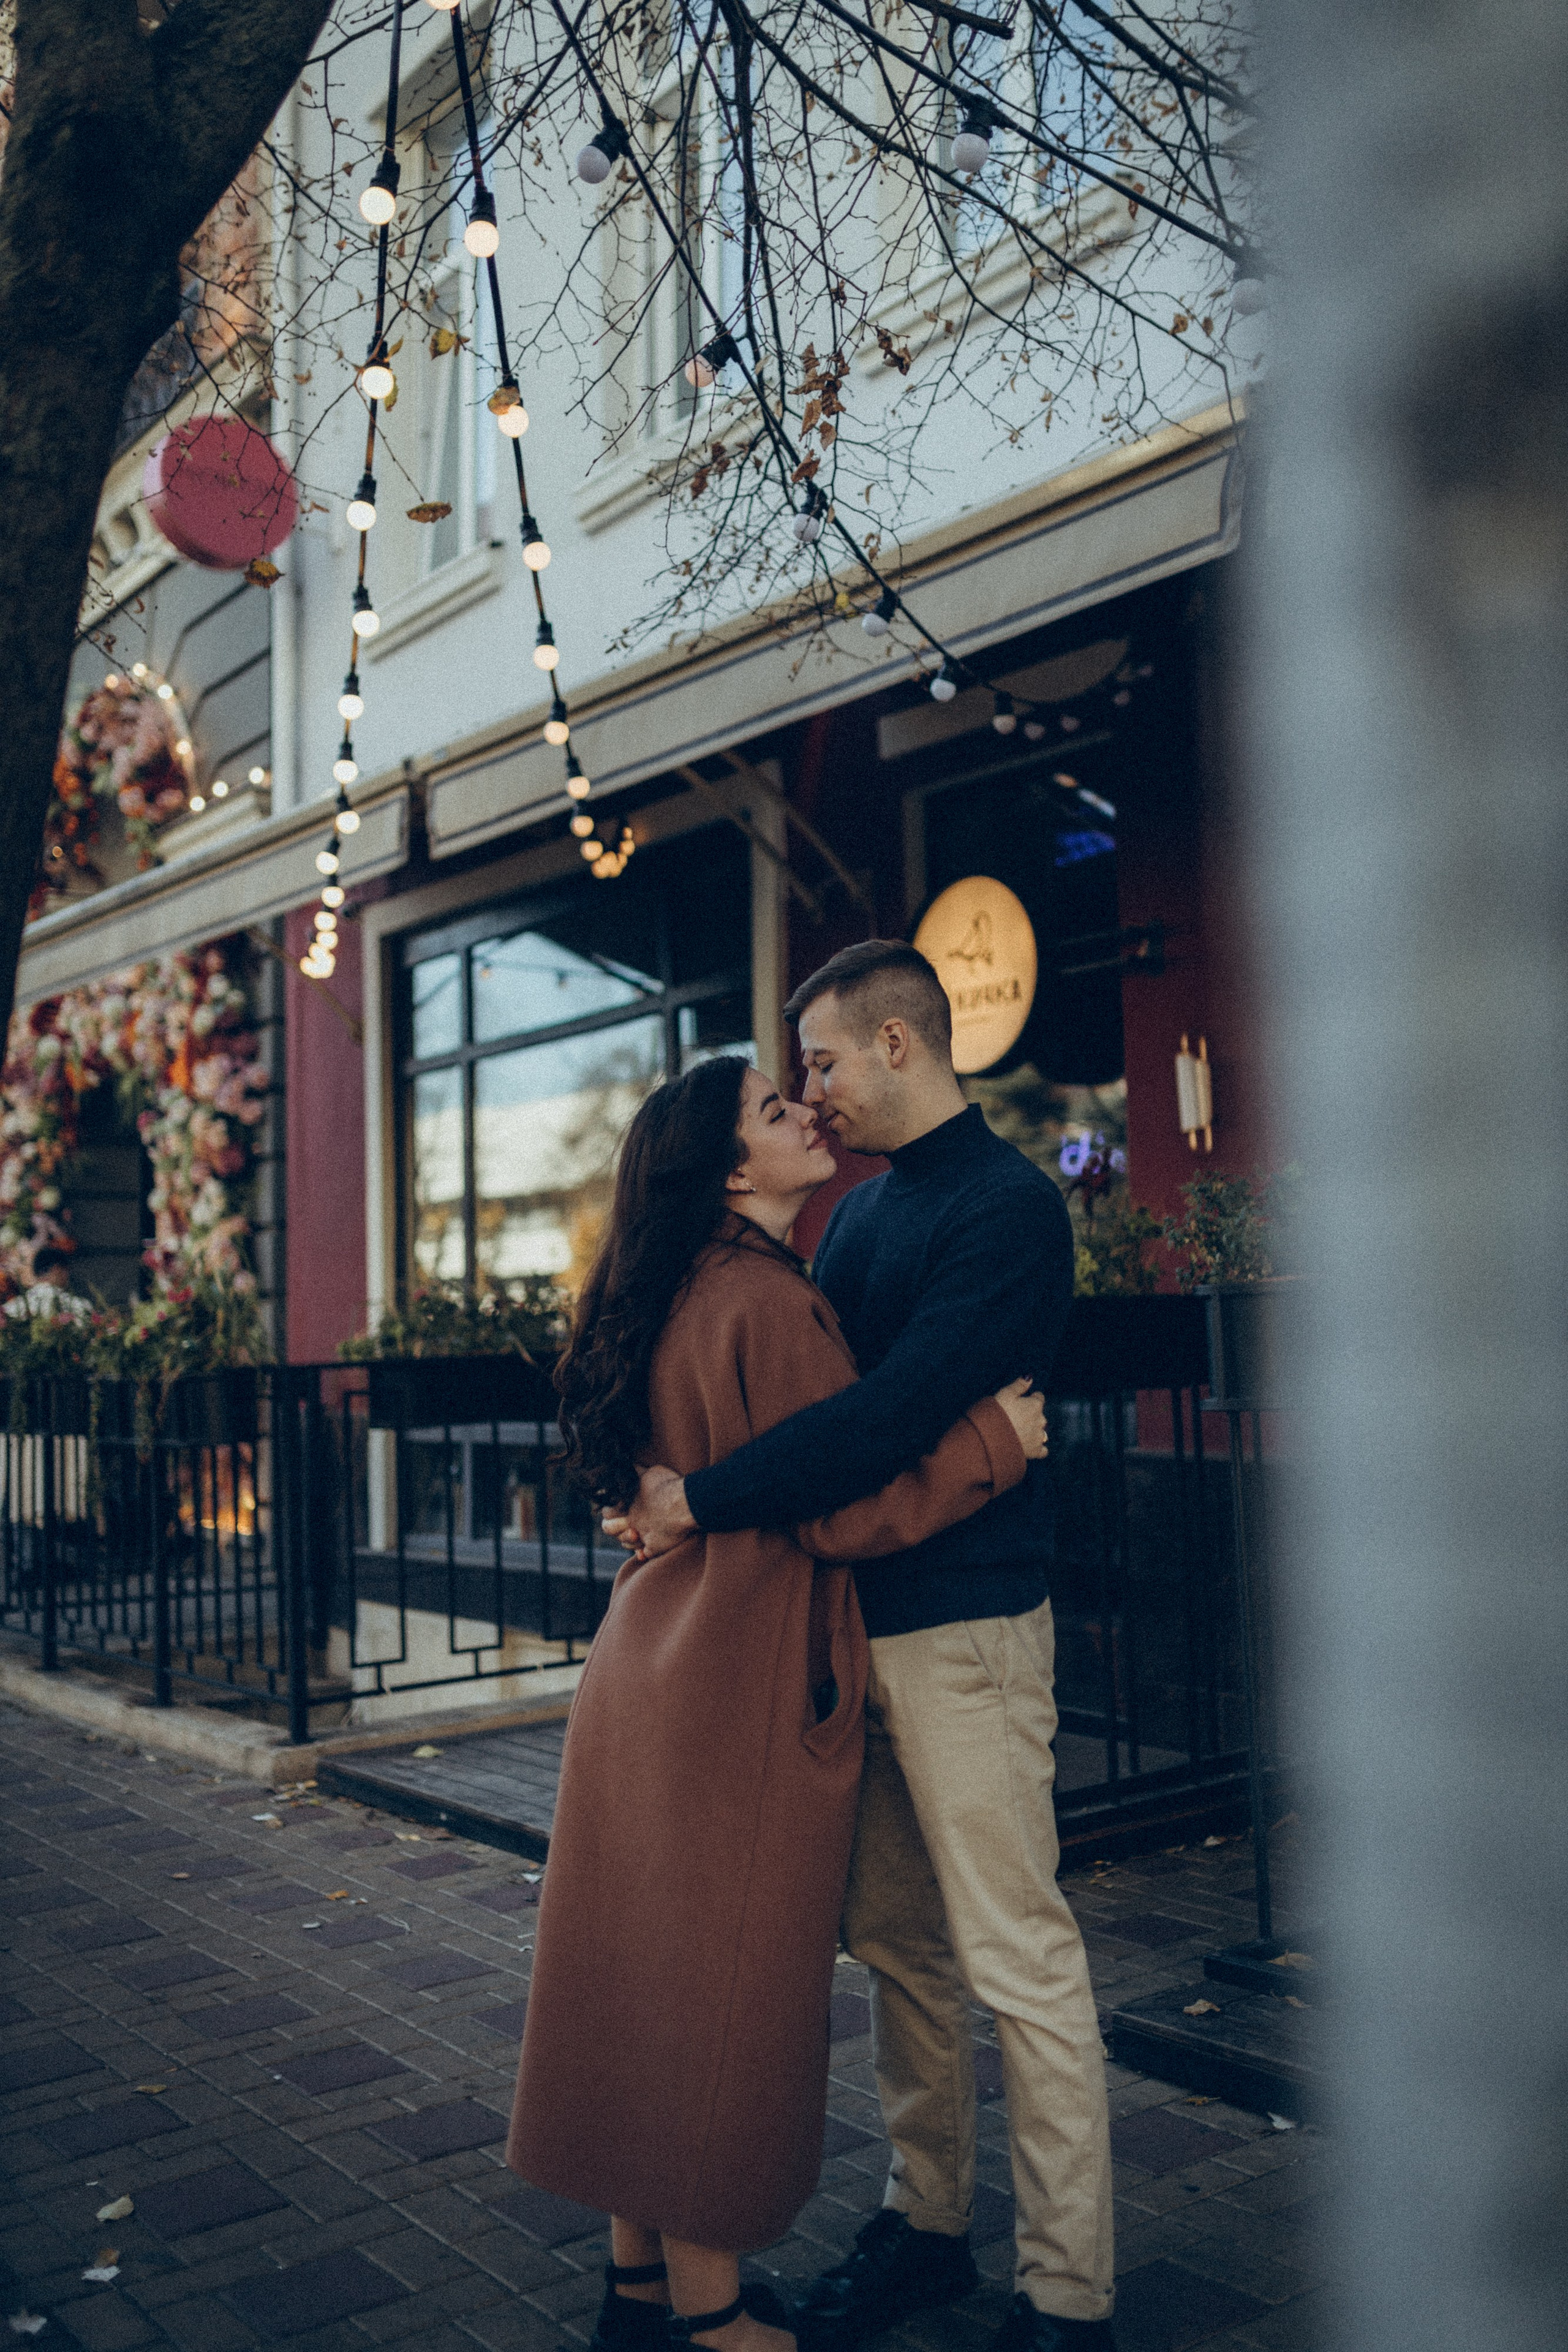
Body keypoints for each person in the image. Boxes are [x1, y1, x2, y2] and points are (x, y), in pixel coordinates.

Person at [612, 942, 1117, 2352]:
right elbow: (811, 1430)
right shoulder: (852, 1221)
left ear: (899, 1044)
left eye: (823, 1062)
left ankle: (1070, 2298)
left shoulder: (1009, 1211)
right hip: (844, 1638)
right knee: (898, 1951)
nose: (812, 1095)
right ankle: (929, 2223)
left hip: (966, 1639)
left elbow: (885, 1416)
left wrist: (700, 1498)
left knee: (1017, 1957)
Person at [507, 1054, 1048, 2352]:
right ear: (732, 1170)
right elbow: (842, 1504)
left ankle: (638, 2293)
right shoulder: (764, 1302)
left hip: (649, 1668)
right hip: (736, 1680)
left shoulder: (674, 1287)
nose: (802, 1111)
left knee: (647, 1983)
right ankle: (711, 2317)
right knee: (723, 1998)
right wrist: (993, 1444)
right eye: (769, 1107)